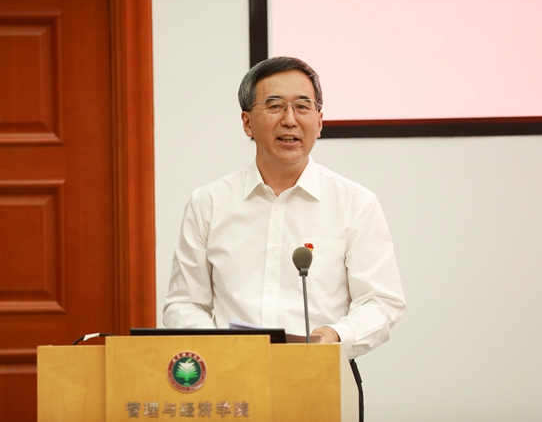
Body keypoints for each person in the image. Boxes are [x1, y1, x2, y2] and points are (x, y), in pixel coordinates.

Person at [163, 56, 406, 421]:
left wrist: (336, 336)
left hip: (321, 378)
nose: (290, 119)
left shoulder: (355, 202)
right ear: (247, 122)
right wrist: (218, 347)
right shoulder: (209, 202)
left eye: (303, 107)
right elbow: (183, 303)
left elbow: (382, 301)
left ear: (319, 122)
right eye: (274, 106)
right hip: (227, 382)